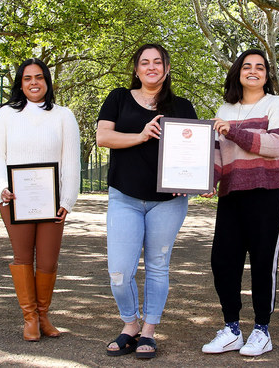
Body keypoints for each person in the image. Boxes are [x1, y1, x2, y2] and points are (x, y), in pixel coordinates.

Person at [96, 43, 197, 359]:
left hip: (167, 202)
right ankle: (130, 322)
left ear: (167, 68)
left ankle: (148, 331)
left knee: (157, 266)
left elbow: (195, 154)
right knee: (120, 271)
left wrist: (192, 181)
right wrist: (140, 135)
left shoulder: (182, 106)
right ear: (137, 69)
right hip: (124, 197)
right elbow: (103, 137)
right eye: (144, 62)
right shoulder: (119, 98)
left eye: (158, 62)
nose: (151, 67)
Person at [200, 49, 279, 357]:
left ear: (267, 74)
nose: (253, 71)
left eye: (260, 67)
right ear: (238, 72)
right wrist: (208, 182)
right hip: (232, 192)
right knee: (223, 261)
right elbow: (217, 152)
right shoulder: (224, 108)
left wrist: (234, 131)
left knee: (263, 261)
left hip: (269, 189)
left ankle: (262, 330)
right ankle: (232, 329)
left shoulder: (277, 104)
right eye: (247, 66)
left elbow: (276, 145)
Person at [0, 58, 80, 342]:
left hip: (52, 202)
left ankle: (43, 315)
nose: (34, 83)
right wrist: (1, 187)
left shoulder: (64, 116)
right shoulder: (5, 115)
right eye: (27, 78)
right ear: (20, 83)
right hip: (15, 200)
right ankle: (29, 318)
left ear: (47, 82)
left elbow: (71, 162)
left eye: (39, 77)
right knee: (23, 258)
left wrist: (67, 200)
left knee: (48, 261)